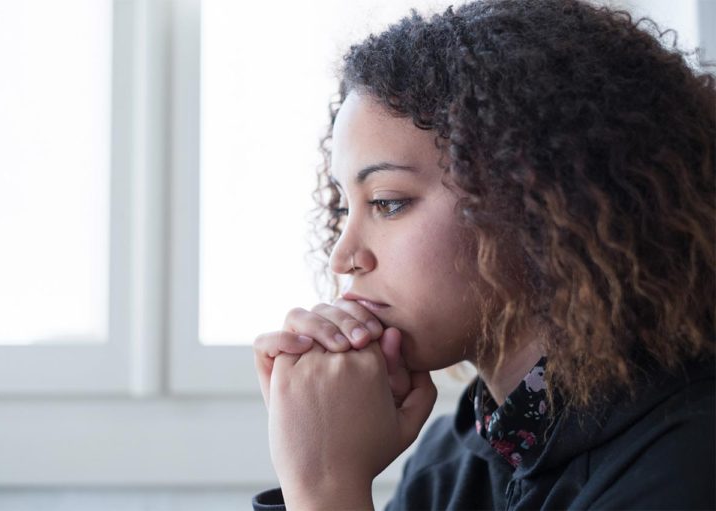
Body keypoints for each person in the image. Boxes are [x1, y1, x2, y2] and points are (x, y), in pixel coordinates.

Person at [252, 0, 716, 509]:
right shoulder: (450, 460)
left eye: (387, 203)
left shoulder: (689, 460)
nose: (344, 257)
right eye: (344, 208)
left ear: (539, 200)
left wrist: (323, 486)